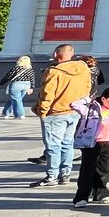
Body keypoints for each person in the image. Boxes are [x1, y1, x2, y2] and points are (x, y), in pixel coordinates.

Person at [30, 44, 92, 188]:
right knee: (67, 144)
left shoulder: (53, 71)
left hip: (55, 112)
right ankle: (65, 174)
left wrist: (42, 111)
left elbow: (47, 93)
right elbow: (88, 88)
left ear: (56, 54)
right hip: (74, 111)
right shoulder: (83, 69)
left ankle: (52, 176)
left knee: (53, 145)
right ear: (72, 53)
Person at [69, 87, 109, 208]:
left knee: (103, 169)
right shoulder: (91, 109)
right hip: (92, 143)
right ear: (103, 99)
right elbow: (74, 104)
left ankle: (101, 193)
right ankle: (81, 197)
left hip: (108, 143)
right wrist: (90, 98)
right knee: (88, 170)